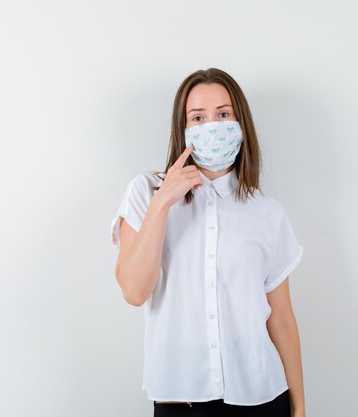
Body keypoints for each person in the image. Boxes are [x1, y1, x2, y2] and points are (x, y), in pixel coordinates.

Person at [110, 68, 306, 417]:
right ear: (183, 130)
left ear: (240, 123)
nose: (212, 126)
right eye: (198, 118)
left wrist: (301, 409)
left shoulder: (267, 212)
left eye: (223, 114)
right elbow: (135, 291)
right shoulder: (146, 193)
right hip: (181, 400)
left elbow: (282, 319)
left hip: (261, 396)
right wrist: (163, 202)